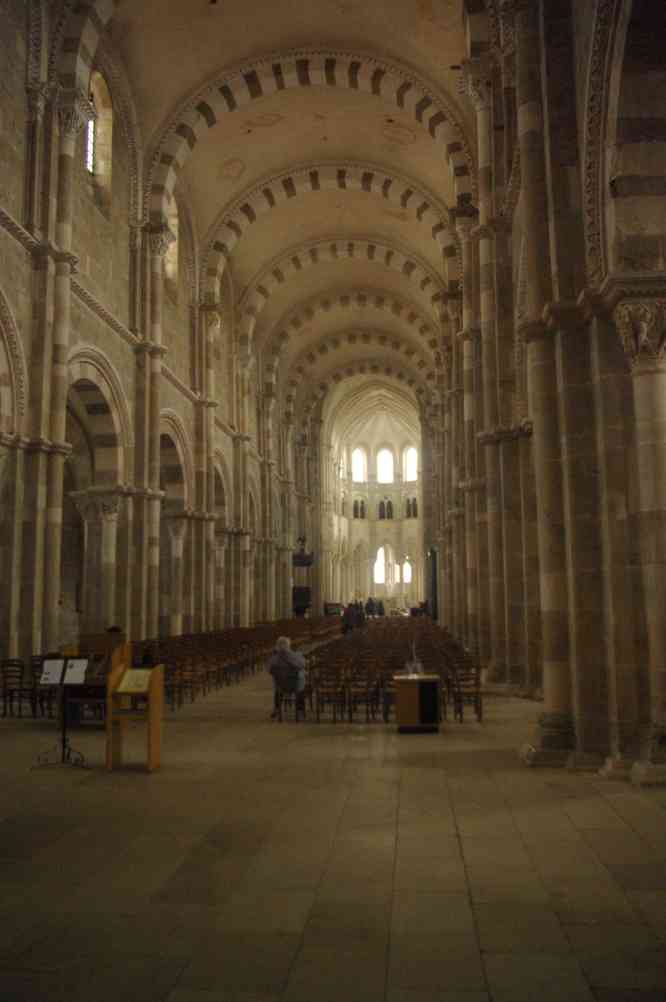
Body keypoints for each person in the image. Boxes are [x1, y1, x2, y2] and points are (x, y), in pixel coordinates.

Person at [268, 636, 306, 719]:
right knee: (302, 684)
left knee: (277, 687)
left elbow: (270, 671)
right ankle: (300, 710)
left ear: (277, 646)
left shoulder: (274, 659)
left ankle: (277, 709)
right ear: (289, 645)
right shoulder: (295, 656)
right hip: (295, 686)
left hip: (281, 687)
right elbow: (303, 665)